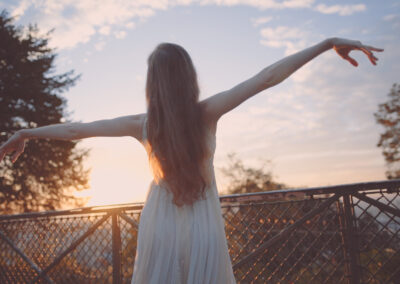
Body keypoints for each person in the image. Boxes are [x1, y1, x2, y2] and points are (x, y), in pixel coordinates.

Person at [0, 37, 383, 283]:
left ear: (152, 84)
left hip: (159, 223)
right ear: (188, 77)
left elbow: (77, 130)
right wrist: (326, 43)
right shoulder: (207, 113)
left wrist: (26, 133)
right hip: (202, 222)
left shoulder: (142, 124)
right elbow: (267, 77)